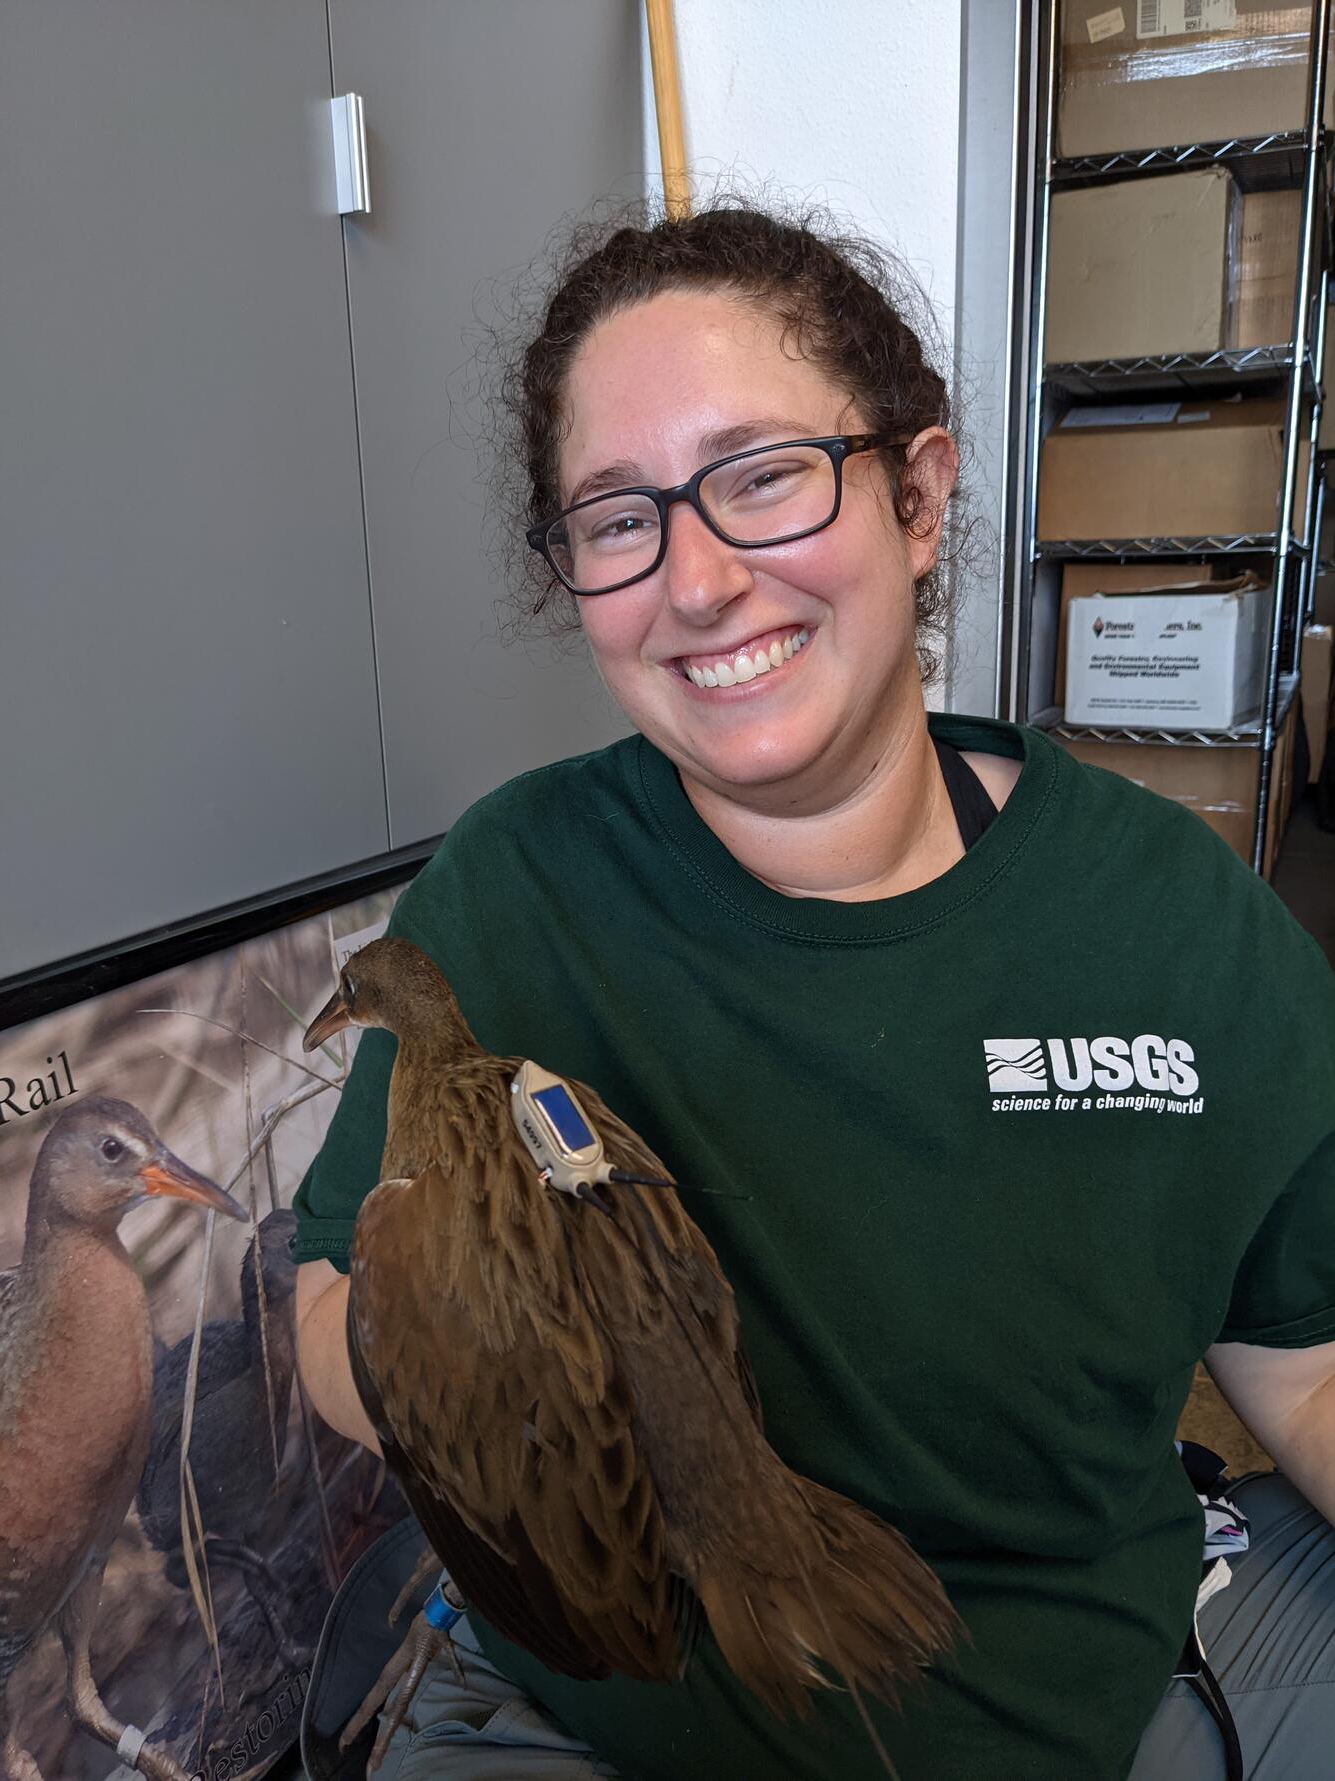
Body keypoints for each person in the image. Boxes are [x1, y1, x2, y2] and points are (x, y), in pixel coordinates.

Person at [291, 200, 1335, 1781]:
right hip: (602, 1698)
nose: (697, 580)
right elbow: (323, 1306)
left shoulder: (1178, 925)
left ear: (917, 495)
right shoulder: (516, 890)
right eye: (617, 516)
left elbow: (1307, 1357)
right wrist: (524, 1373)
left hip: (1066, 1680)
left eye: (762, 475)